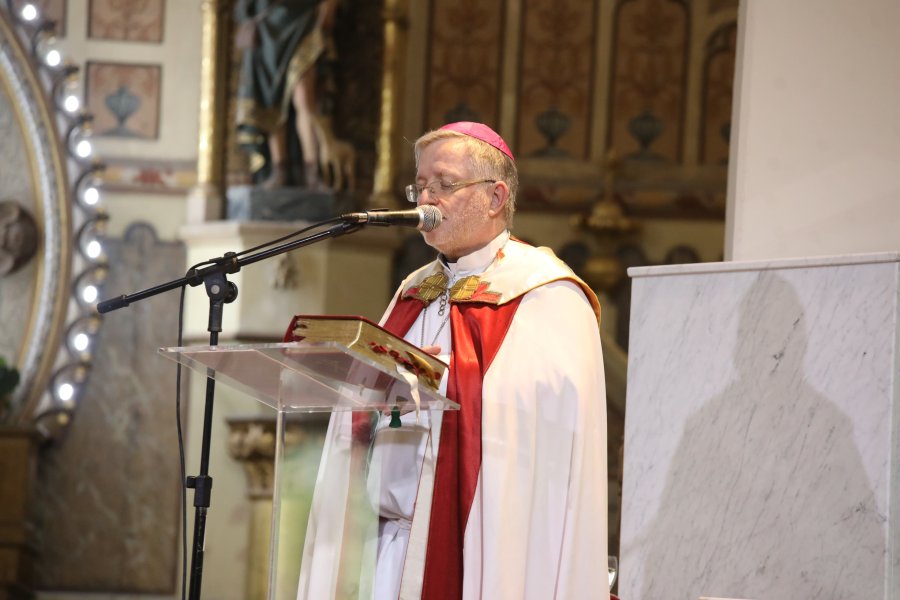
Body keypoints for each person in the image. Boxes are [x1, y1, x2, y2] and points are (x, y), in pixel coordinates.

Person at [291, 122, 608, 599]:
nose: (425, 198)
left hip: (477, 550)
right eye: (419, 185)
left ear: (495, 197)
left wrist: (435, 383)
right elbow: (371, 399)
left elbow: (528, 429)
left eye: (444, 184)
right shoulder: (414, 289)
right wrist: (375, 388)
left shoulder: (547, 294)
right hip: (383, 546)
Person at [234, 0, 337, 189]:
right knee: (271, 99)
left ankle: (312, 170)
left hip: (303, 22)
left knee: (305, 100)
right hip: (268, 32)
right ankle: (279, 169)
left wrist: (329, 7)